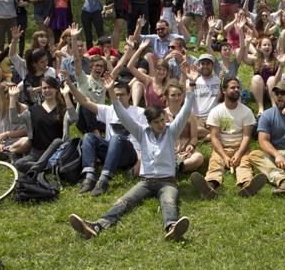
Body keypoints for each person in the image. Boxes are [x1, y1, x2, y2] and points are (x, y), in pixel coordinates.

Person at [68, 70, 198, 241]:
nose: (161, 124)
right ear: (149, 123)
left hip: (168, 182)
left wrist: (192, 85)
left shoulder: (171, 131)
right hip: (145, 182)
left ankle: (172, 227)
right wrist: (112, 94)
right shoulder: (141, 132)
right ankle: (97, 225)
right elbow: (123, 115)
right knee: (124, 201)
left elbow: (186, 109)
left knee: (169, 202)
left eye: (162, 120)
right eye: (157, 122)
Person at [190, 76, 267, 198]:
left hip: (240, 148)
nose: (236, 89)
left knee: (244, 165)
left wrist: (239, 154)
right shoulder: (216, 111)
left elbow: (247, 137)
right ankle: (209, 186)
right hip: (222, 148)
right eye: (233, 87)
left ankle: (247, 186)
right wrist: (224, 156)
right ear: (224, 90)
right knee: (215, 164)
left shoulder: (246, 111)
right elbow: (214, 138)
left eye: (238, 87)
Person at [66, 75, 143, 196]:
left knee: (117, 137)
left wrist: (139, 162)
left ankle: (103, 180)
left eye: (121, 95)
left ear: (129, 95)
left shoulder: (140, 112)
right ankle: (89, 177)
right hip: (110, 152)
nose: (118, 97)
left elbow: (147, 140)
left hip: (129, 154)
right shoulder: (109, 109)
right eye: (116, 94)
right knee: (88, 137)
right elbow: (85, 102)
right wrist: (70, 85)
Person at [8, 77, 77, 173]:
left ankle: (40, 168)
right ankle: (47, 168)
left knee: (57, 141)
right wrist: (12, 98)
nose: (47, 90)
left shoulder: (62, 110)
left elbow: (74, 118)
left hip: (56, 152)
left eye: (50, 87)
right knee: (19, 163)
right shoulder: (33, 110)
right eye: (44, 88)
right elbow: (14, 120)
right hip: (37, 153)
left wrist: (66, 96)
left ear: (56, 89)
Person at [163, 80, 204, 174]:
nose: (177, 98)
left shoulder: (190, 114)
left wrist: (191, 145)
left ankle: (174, 168)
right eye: (173, 95)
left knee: (198, 158)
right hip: (167, 152)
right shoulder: (162, 114)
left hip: (184, 153)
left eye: (179, 94)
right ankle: (175, 168)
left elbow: (194, 137)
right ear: (167, 97)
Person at [243, 36, 285, 116]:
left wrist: (282, 62)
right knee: (256, 77)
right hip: (259, 91)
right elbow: (245, 58)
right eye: (264, 45)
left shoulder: (276, 59)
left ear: (272, 47)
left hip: (273, 90)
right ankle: (261, 108)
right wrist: (248, 43)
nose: (267, 47)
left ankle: (274, 107)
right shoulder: (256, 59)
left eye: (269, 45)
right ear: (260, 48)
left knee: (271, 79)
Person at [191, 54, 221, 140]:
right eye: (202, 64)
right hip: (196, 118)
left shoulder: (219, 81)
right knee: (194, 129)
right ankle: (211, 135)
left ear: (213, 66)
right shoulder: (193, 80)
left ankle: (208, 135)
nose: (205, 66)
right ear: (198, 66)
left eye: (208, 64)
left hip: (212, 118)